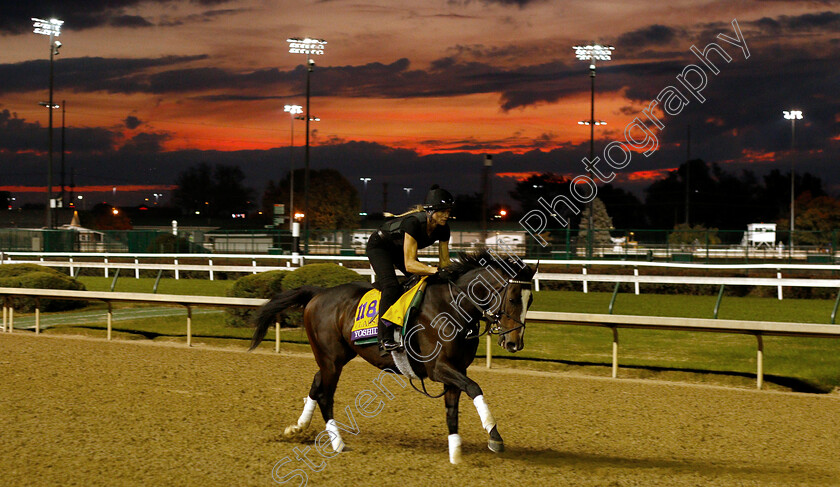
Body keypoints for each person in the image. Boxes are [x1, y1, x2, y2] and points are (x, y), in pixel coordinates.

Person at [366, 184, 453, 354]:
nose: (446, 215)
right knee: (391, 287)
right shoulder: (414, 223)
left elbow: (445, 262)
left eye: (448, 211)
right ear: (429, 211)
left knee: (425, 281)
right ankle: (384, 339)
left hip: (398, 249)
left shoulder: (444, 229)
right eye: (442, 211)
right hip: (380, 246)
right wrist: (433, 270)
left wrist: (448, 274)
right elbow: (410, 264)